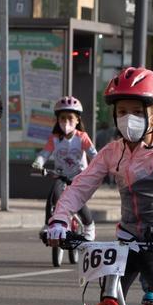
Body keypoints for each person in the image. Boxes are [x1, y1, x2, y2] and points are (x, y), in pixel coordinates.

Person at [45, 67, 153, 305]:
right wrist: (59, 221)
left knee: (146, 250)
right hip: (128, 236)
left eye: (136, 111)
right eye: (122, 111)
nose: (128, 118)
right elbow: (80, 186)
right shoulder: (113, 152)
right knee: (110, 297)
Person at [32, 96, 98, 240]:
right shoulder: (54, 138)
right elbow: (45, 153)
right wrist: (39, 162)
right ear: (57, 120)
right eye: (62, 118)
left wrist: (98, 166)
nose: (66, 122)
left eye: (70, 118)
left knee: (77, 200)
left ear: (77, 120)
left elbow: (94, 154)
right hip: (61, 175)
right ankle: (48, 224)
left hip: (79, 176)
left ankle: (89, 226)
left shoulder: (82, 137)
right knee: (53, 196)